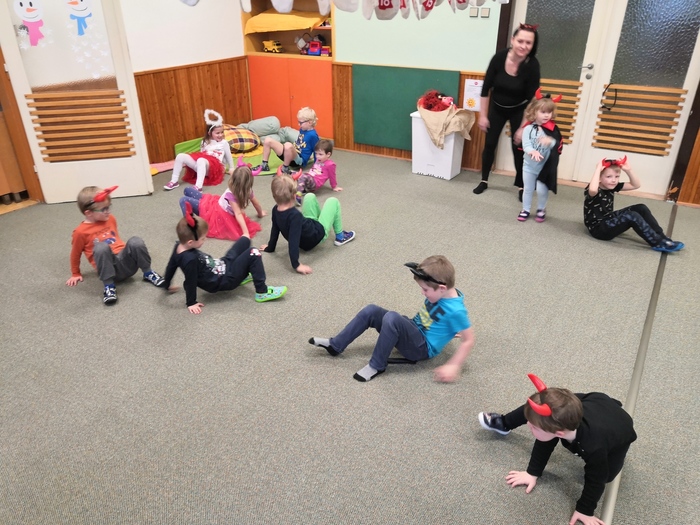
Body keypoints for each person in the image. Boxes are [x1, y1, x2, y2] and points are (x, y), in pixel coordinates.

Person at [478, 374, 637, 525]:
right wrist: (532, 472)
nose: (527, 425)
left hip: (621, 430)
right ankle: (504, 423)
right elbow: (544, 440)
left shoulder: (594, 447)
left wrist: (585, 510)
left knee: (607, 476)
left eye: (533, 427)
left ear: (559, 434)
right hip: (595, 401)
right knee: (536, 411)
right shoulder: (561, 420)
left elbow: (596, 480)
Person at [309, 256, 475, 382]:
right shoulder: (445, 293)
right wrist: (451, 329)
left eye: (425, 290)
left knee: (392, 318)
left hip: (421, 348)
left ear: (442, 288)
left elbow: (469, 340)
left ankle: (377, 365)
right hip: (413, 329)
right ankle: (336, 345)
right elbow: (443, 318)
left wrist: (453, 365)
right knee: (371, 310)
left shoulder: (456, 311)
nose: (422, 293)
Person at [161, 203, 287, 314]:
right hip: (225, 279)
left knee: (245, 240)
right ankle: (262, 292)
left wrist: (167, 284)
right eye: (203, 239)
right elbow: (190, 281)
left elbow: (171, 266)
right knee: (253, 252)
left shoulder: (179, 246)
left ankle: (244, 274)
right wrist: (191, 302)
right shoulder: (190, 260)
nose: (205, 240)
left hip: (222, 264)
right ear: (190, 242)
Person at [474, 23, 541, 200]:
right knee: (490, 144)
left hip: (520, 109)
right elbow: (485, 89)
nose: (523, 46)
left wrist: (523, 127)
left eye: (528, 43)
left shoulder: (532, 65)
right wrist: (482, 116)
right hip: (497, 107)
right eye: (520, 41)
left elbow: (533, 100)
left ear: (533, 45)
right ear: (512, 40)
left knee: (518, 146)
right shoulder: (499, 58)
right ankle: (484, 180)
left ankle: (521, 185)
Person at [66, 186, 164, 305]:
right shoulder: (80, 232)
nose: (108, 211)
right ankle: (109, 286)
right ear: (89, 213)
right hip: (110, 270)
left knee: (135, 241)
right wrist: (75, 273)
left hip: (128, 264)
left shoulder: (110, 219)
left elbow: (116, 241)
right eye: (104, 209)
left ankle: (148, 273)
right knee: (101, 247)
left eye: (109, 207)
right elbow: (75, 254)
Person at [584, 157, 684, 252]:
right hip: (599, 229)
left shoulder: (612, 186)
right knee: (632, 216)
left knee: (641, 208)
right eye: (609, 177)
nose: (614, 180)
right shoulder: (593, 189)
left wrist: (629, 170)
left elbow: (635, 185)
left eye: (617, 176)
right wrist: (598, 169)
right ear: (599, 178)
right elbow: (593, 190)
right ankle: (658, 243)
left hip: (608, 219)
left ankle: (661, 237)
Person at [261, 175, 355, 274]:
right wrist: (296, 265)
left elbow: (275, 229)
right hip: (317, 234)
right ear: (294, 196)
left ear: (274, 197)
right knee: (333, 201)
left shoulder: (275, 210)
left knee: (309, 196)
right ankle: (340, 237)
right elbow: (293, 241)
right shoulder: (295, 215)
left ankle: (321, 219)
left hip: (308, 228)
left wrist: (270, 247)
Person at [178, 164, 266, 240]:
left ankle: (191, 228)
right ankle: (192, 215)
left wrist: (245, 233)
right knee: (187, 190)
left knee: (183, 200)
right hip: (214, 204)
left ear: (234, 179)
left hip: (216, 214)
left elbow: (238, 214)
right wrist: (260, 213)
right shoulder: (247, 190)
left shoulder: (231, 195)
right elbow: (256, 204)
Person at [518, 91, 563, 222]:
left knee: (542, 191)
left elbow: (558, 145)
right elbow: (526, 145)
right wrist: (532, 151)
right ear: (534, 112)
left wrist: (550, 141)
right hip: (529, 166)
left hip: (544, 168)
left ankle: (541, 209)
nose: (546, 115)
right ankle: (525, 209)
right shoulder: (528, 129)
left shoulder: (553, 129)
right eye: (543, 112)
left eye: (549, 112)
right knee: (528, 189)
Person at [164, 109, 233, 191]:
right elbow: (202, 154)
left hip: (215, 169)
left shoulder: (224, 143)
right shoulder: (205, 142)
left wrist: (231, 168)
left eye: (222, 132)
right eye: (217, 133)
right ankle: (174, 181)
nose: (220, 135)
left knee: (201, 160)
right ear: (209, 133)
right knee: (180, 156)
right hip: (203, 165)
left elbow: (229, 157)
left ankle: (198, 186)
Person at [255, 107, 319, 175]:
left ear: (310, 122)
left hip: (298, 161)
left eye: (301, 123)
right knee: (268, 140)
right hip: (290, 154)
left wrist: (316, 167)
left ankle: (285, 168)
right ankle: (264, 165)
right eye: (298, 122)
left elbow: (317, 151)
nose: (299, 124)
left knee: (288, 145)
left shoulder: (313, 135)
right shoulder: (302, 129)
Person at [293, 139, 341, 206]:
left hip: (315, 183)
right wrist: (308, 174)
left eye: (320, 154)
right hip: (309, 178)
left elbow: (332, 176)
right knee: (293, 173)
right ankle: (301, 188)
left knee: (303, 176)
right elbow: (313, 169)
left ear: (328, 154)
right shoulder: (318, 159)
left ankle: (298, 196)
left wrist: (334, 186)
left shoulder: (331, 164)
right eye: (316, 153)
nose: (317, 156)